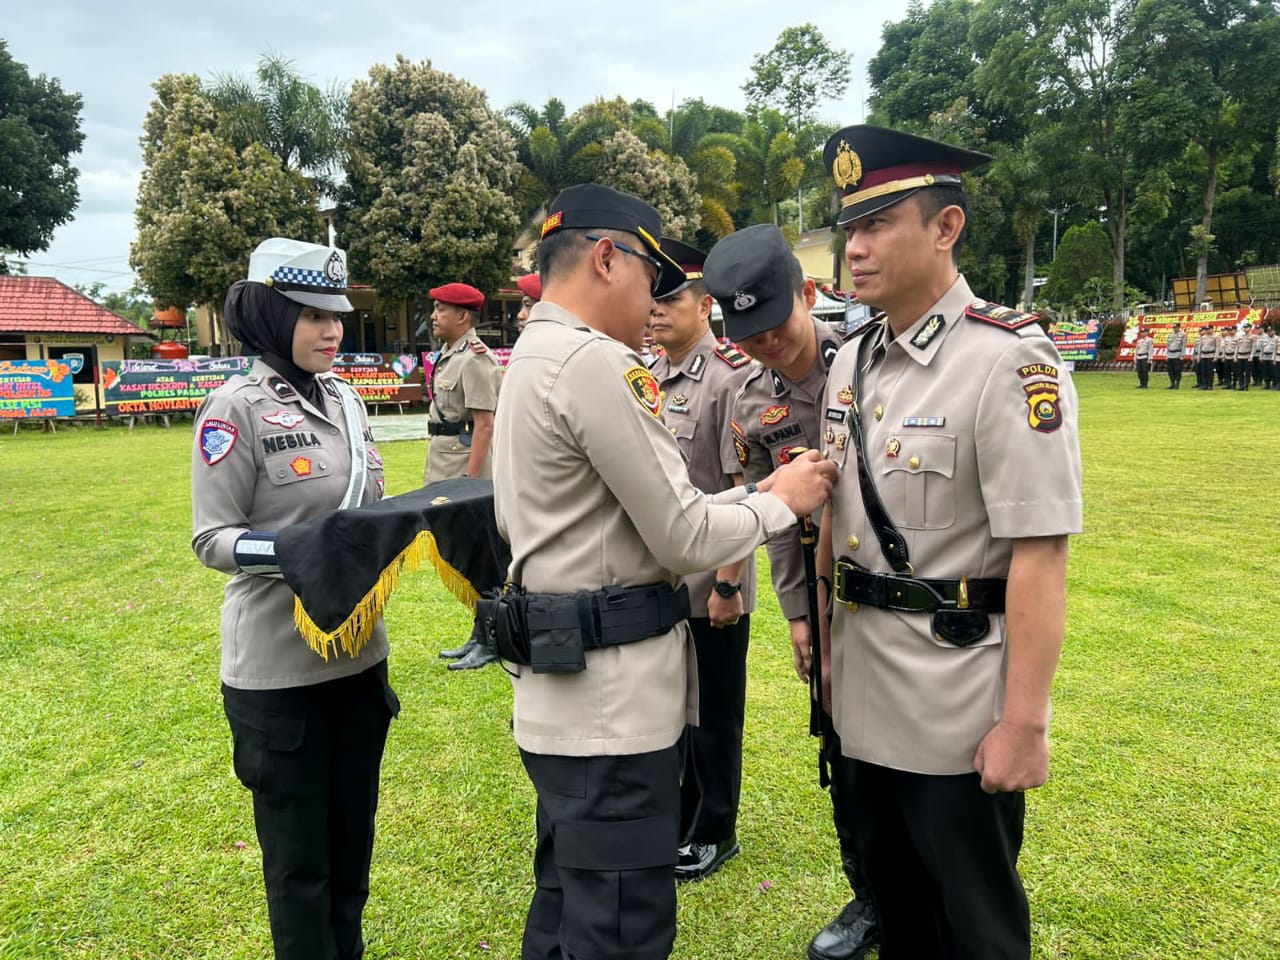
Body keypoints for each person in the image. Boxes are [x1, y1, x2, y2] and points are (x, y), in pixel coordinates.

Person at [490, 183, 838, 960]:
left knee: (565, 906)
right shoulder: (592, 363)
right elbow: (684, 533)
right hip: (610, 710)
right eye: (652, 280)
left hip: (564, 687)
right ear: (608, 258)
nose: (653, 305)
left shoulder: (531, 355)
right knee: (620, 927)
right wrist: (777, 497)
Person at [815, 124, 1084, 960]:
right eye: (849, 228)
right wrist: (822, 654)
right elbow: (837, 522)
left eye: (876, 225)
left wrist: (1025, 723)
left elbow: (1040, 554)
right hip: (862, 691)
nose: (852, 249)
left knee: (975, 922)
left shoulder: (1007, 361)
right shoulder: (851, 358)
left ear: (945, 227)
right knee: (897, 911)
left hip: (956, 703)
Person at [191, 237, 398, 960]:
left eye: (338, 314)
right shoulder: (233, 409)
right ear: (272, 315)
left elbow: (369, 503)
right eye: (312, 314)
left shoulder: (345, 399)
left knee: (352, 853)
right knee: (300, 867)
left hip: (357, 660)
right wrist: (298, 552)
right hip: (280, 675)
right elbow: (212, 539)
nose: (333, 329)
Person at [704, 223, 878, 960]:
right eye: (748, 334)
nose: (767, 344)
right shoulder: (748, 397)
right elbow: (768, 514)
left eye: (776, 323)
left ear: (809, 295)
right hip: (818, 585)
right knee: (838, 735)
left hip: (891, 582)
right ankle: (871, 893)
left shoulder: (873, 365)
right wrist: (799, 616)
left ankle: (927, 886)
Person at [648, 238, 758, 883]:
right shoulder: (648, 375)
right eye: (653, 299)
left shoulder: (730, 378)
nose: (658, 311)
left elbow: (742, 489)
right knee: (674, 711)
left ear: (705, 304)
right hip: (661, 581)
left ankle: (715, 828)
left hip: (712, 583)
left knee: (714, 710)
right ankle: (682, 817)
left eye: (672, 298)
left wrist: (727, 584)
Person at [426, 281, 504, 669]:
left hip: (464, 469)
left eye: (442, 310)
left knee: (480, 557)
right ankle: (480, 634)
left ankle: (491, 639)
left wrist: (470, 482)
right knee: (460, 553)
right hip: (444, 461)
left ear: (463, 316)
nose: (434, 316)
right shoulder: (448, 354)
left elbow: (485, 425)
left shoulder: (475, 358)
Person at [1165, 322, 1186, 389]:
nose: (1175, 329)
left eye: (1176, 327)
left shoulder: (1183, 334)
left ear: (1179, 327)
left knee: (1177, 370)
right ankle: (1172, 383)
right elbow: (1168, 345)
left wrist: (1182, 355)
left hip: (1178, 354)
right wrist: (1167, 355)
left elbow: (1184, 345)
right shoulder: (1170, 335)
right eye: (1174, 328)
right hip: (1170, 354)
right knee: (1170, 370)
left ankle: (1177, 384)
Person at [1198, 325, 1219, 390]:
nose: (1208, 330)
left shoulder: (1216, 337)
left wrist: (1215, 356)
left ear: (1212, 329)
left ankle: (1210, 385)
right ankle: (1204, 384)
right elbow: (1200, 348)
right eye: (1207, 329)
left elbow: (1218, 347)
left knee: (1210, 371)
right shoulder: (1203, 337)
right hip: (1203, 355)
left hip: (1211, 355)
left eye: (1209, 329)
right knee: (1203, 371)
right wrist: (1199, 356)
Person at [1233, 324, 1253, 391]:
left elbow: (1253, 347)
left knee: (1247, 372)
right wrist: (1235, 356)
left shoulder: (1252, 337)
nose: (1245, 329)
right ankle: (1241, 385)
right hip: (1240, 356)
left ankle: (1246, 385)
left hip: (1247, 356)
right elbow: (1237, 347)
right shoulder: (1240, 337)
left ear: (1250, 328)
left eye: (1246, 327)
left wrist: (1251, 356)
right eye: (1244, 327)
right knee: (1240, 372)